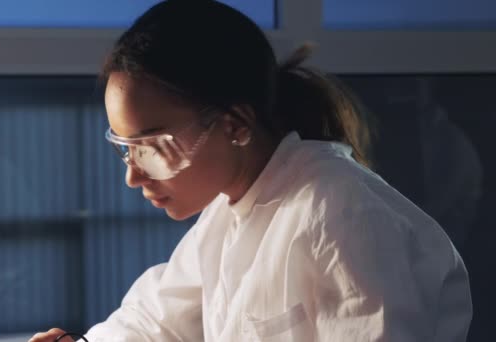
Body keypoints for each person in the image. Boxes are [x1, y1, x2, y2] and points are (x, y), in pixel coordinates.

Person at [30, 1, 472, 341]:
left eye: (154, 146)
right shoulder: (233, 208)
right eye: (126, 149)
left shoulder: (341, 216)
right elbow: (157, 319)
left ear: (234, 124)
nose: (134, 176)